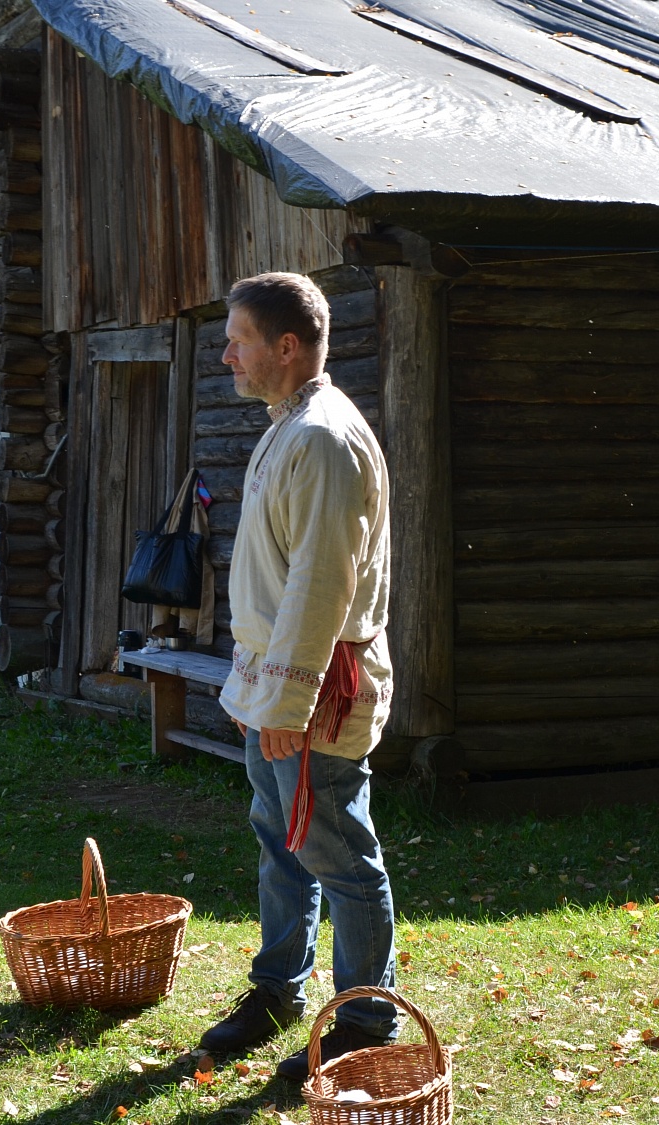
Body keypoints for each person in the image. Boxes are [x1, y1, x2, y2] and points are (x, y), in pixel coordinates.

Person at [197, 273, 398, 1083]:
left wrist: (285, 701)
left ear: (287, 346)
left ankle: (365, 1016)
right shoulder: (290, 426)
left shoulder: (321, 437)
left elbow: (322, 585)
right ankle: (279, 988)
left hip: (314, 689)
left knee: (340, 854)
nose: (226, 355)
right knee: (282, 844)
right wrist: (257, 693)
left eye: (239, 339)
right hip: (276, 683)